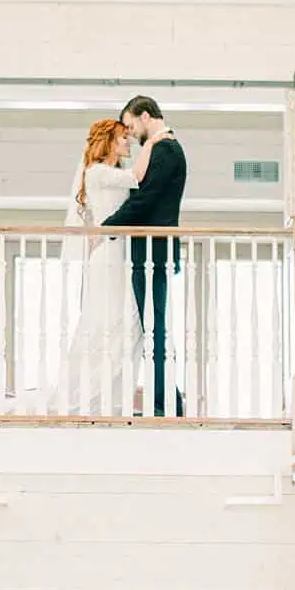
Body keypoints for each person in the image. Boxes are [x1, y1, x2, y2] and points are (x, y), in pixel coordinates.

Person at [101, 95, 188, 417]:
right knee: (154, 327)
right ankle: (168, 402)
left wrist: (106, 227)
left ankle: (166, 405)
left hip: (153, 251)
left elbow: (146, 198)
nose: (130, 132)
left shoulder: (166, 149)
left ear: (146, 116)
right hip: (153, 251)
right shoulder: (162, 147)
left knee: (155, 328)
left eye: (131, 124)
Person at [55, 116, 143, 413]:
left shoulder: (106, 173)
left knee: (126, 320)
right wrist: (156, 140)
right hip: (108, 256)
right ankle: (86, 396)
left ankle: (111, 398)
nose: (128, 141)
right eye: (123, 138)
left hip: (118, 254)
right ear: (109, 142)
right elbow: (136, 178)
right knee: (104, 321)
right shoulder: (96, 173)